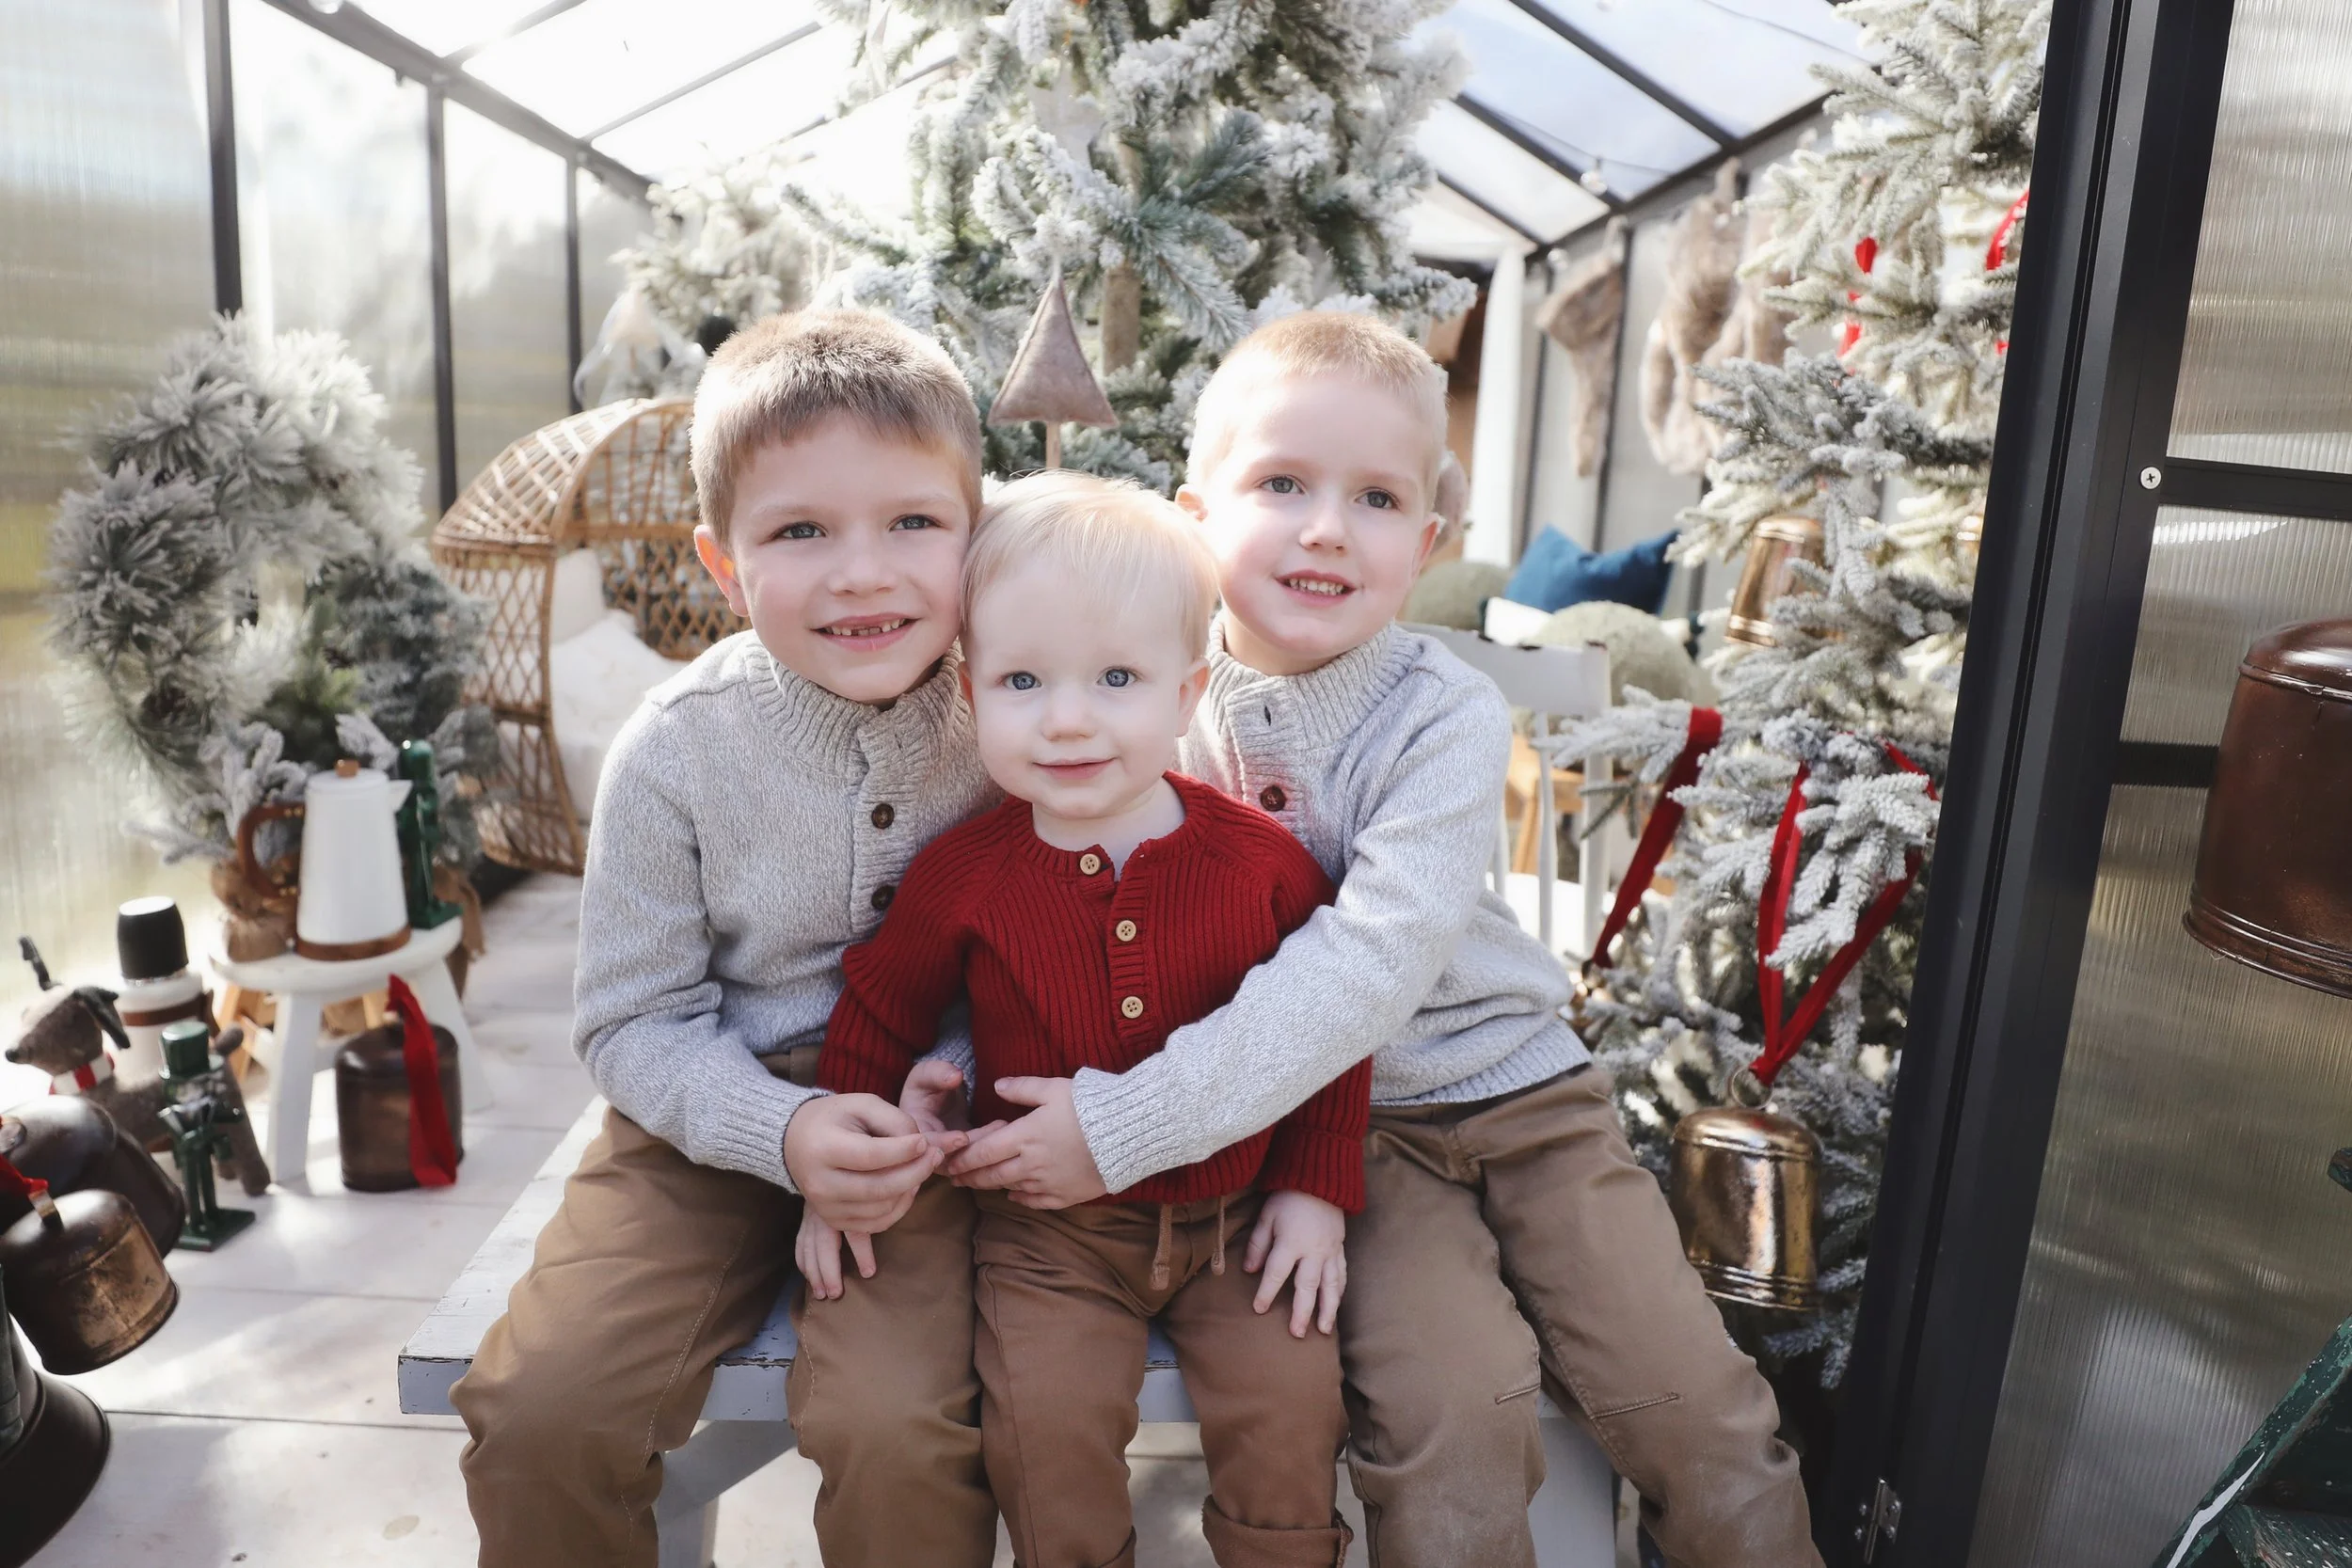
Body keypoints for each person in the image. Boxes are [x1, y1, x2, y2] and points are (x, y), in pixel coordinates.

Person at [945, 312, 1824, 1568]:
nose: (1324, 526)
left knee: (1692, 1403)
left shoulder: (1441, 713)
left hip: (1528, 1097)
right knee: (1453, 1403)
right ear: (1193, 514)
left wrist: (1125, 1119)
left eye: (1374, 497)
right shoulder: (1142, 711)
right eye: (1282, 483)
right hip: (1350, 1141)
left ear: (1425, 544)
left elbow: (1370, 963)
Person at [451, 309, 1002, 1568]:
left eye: (913, 521)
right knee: (543, 1408)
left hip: (918, 1132)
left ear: (979, 526)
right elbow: (633, 1018)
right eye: (800, 530)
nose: (861, 571)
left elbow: (1056, 927)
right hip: (701, 1113)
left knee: (901, 1425)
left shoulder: (1016, 709)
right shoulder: (676, 747)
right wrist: (781, 1128)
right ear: (721, 561)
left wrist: (944, 1076)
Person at [804, 471, 1368, 1568]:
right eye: (1022, 679)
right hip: (1048, 1236)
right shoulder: (963, 874)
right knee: (1045, 1430)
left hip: (1235, 1219)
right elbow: (877, 1009)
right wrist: (847, 1155)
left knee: (1293, 1412)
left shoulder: (1260, 864)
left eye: (1115, 677)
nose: (1066, 718)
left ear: (1186, 691)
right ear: (971, 694)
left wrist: (1312, 1189)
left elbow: (1326, 1033)